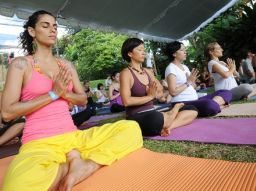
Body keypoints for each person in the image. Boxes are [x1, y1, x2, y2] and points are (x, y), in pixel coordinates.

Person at [1, 10, 143, 191]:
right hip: (39, 142)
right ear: (32, 31)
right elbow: (7, 112)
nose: (53, 30)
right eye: (45, 26)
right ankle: (68, 164)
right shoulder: (20, 64)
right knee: (18, 187)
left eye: (55, 26)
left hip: (74, 137)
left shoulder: (66, 65)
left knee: (131, 128)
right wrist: (52, 94)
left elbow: (83, 99)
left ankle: (88, 165)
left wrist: (64, 94)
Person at [120, 38, 198, 137]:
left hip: (153, 112)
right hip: (137, 116)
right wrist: (150, 96)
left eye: (144, 50)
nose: (143, 53)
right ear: (130, 54)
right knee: (156, 119)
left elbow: (161, 91)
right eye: (140, 50)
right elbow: (126, 101)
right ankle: (172, 113)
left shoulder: (148, 72)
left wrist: (157, 94)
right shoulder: (126, 73)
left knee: (192, 109)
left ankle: (169, 126)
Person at [165, 41, 232, 117]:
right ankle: (216, 105)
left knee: (226, 92)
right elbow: (173, 92)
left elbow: (192, 86)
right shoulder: (171, 69)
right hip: (182, 103)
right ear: (174, 54)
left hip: (195, 99)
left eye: (185, 49)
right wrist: (188, 82)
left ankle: (214, 105)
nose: (185, 52)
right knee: (209, 104)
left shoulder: (185, 67)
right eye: (182, 50)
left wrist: (192, 82)